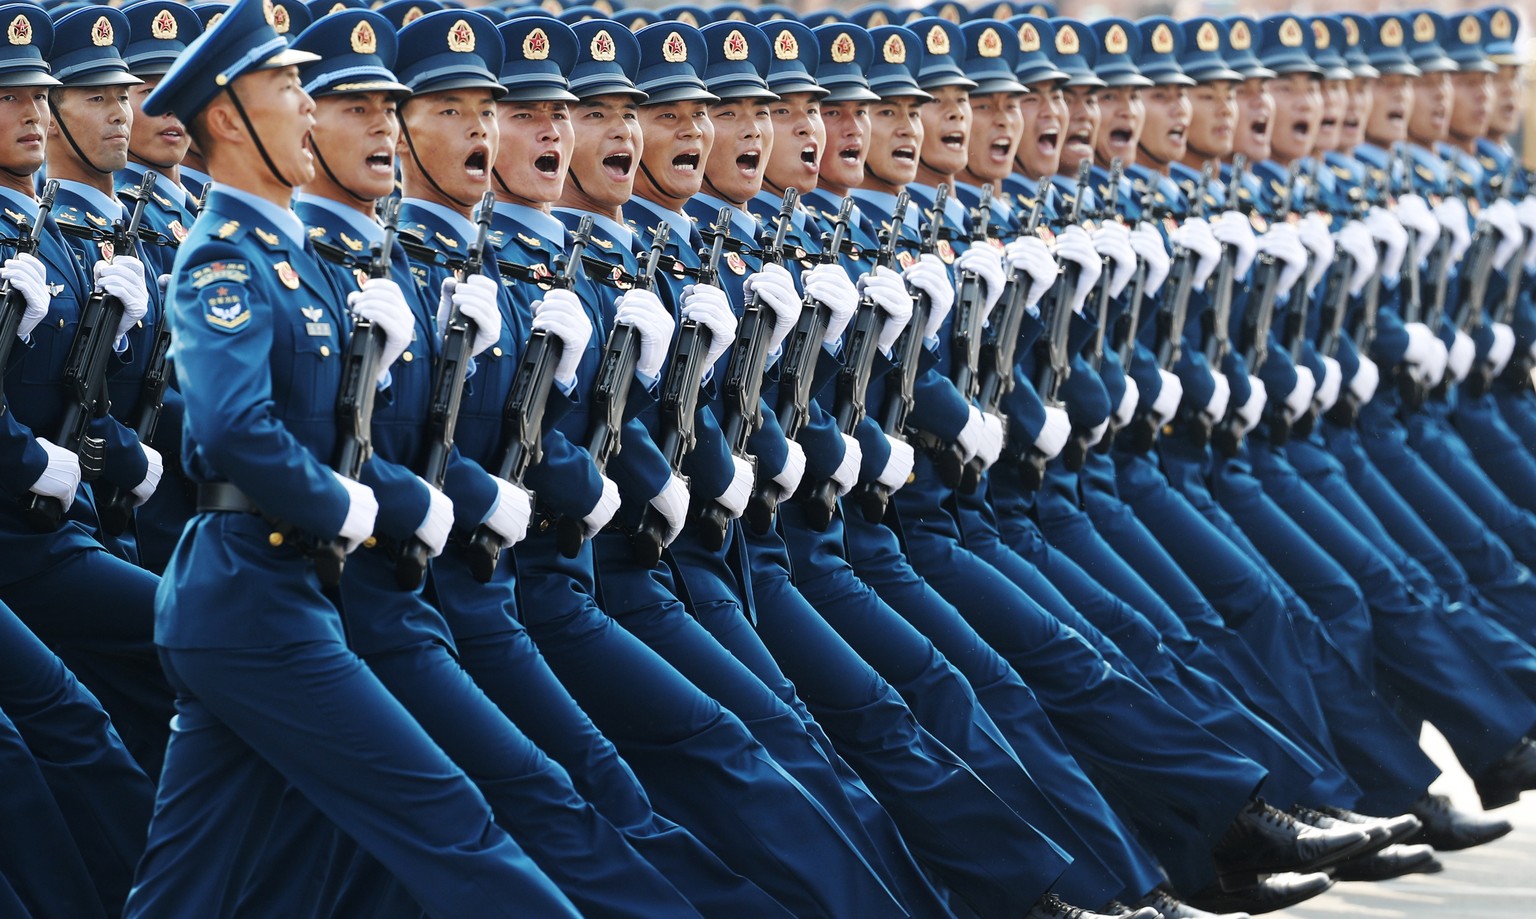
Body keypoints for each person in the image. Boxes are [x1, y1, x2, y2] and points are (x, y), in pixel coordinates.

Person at [122, 0, 583, 911]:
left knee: (207, 882)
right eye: (289, 87)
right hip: (253, 598)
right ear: (228, 118)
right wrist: (354, 505)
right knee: (455, 821)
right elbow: (232, 431)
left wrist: (401, 490)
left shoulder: (294, 257)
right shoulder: (225, 256)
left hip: (266, 597)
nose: (307, 106)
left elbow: (340, 431)